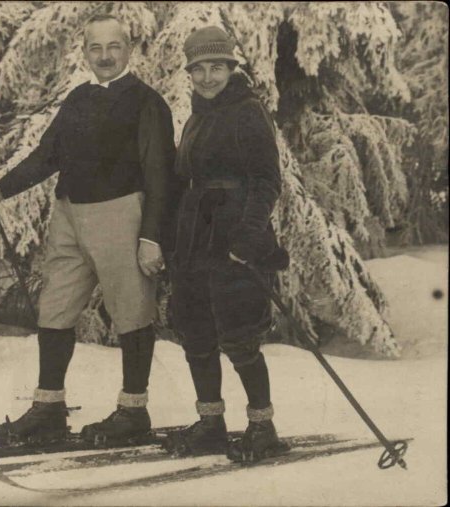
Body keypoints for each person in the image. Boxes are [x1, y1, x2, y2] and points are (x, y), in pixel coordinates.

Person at [0, 13, 176, 446]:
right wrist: (1, 186)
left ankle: (133, 411)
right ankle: (48, 408)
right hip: (68, 215)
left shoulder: (146, 102)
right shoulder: (78, 99)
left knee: (131, 311)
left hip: (121, 214)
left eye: (113, 47)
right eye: (95, 48)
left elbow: (161, 174)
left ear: (129, 49)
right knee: (56, 308)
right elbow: (48, 154)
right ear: (84, 53)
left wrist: (152, 236)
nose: (104, 56)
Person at [161, 26, 289, 462]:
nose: (208, 77)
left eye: (217, 67)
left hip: (233, 242)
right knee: (195, 334)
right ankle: (212, 424)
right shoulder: (197, 117)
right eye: (199, 69)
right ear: (190, 73)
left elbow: (267, 180)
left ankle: (261, 426)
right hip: (195, 242)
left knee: (238, 338)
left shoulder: (247, 111)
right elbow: (184, 182)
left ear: (231, 68)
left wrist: (247, 239)